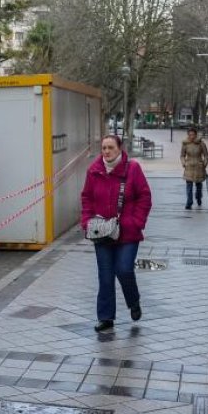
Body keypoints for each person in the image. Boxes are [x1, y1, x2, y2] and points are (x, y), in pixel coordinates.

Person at [80, 134, 153, 332]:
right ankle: (105, 317)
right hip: (102, 232)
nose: (107, 151)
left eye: (111, 147)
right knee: (105, 276)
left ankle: (133, 301)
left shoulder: (133, 169)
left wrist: (136, 222)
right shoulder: (94, 171)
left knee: (124, 270)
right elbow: (86, 198)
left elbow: (145, 197)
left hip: (128, 232)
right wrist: (87, 222)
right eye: (104, 148)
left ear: (120, 148)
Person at [180, 128, 208, 209]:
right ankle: (189, 202)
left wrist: (205, 163)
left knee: (198, 185)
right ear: (188, 135)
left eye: (193, 134)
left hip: (199, 167)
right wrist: (184, 163)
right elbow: (182, 155)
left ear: (196, 135)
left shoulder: (201, 144)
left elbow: (206, 155)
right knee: (189, 185)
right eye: (190, 135)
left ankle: (198, 198)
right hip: (189, 166)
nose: (191, 136)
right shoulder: (185, 144)